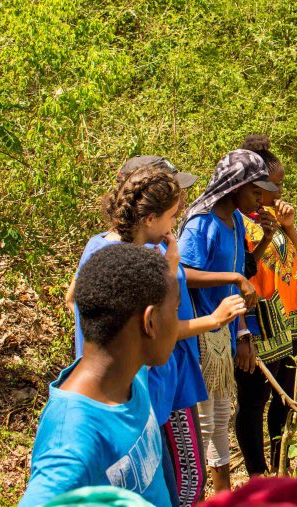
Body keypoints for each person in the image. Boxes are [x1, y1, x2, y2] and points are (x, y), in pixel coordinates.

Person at [69, 167, 246, 507]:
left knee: (168, 480)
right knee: (183, 478)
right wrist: (212, 319)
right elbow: (155, 328)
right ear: (149, 217)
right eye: (171, 216)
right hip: (148, 387)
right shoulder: (132, 264)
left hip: (150, 384)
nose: (174, 225)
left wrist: (172, 260)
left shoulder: (130, 250)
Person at [20, 244, 179, 506]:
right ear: (150, 322)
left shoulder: (132, 372)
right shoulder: (71, 441)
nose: (177, 321)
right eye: (175, 311)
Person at [177, 150, 278, 494]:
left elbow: (245, 270)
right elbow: (183, 274)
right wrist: (235, 278)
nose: (260, 198)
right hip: (202, 336)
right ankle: (218, 493)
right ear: (234, 185)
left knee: (219, 419)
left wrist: (264, 239)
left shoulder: (234, 220)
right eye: (254, 191)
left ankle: (223, 493)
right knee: (208, 426)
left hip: (225, 335)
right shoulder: (202, 221)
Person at [234, 135, 297, 477]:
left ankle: (280, 463)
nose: (279, 192)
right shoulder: (239, 221)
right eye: (275, 185)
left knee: (287, 396)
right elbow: (241, 271)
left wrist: (289, 228)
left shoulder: (275, 216)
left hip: (288, 321)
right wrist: (243, 332)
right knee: (253, 401)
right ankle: (258, 474)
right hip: (258, 326)